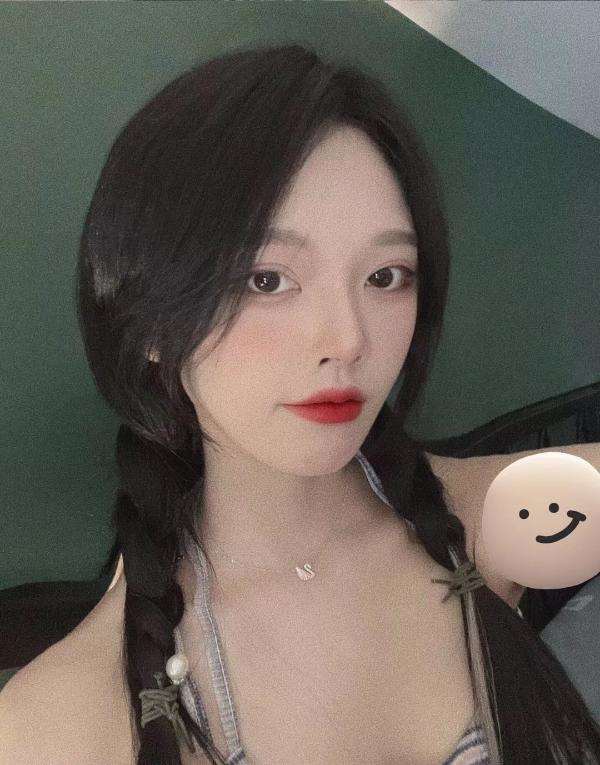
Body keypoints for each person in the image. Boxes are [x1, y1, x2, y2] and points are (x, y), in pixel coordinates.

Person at [4, 42, 600, 765]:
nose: (348, 339)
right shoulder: (55, 726)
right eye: (267, 280)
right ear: (150, 321)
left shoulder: (492, 519)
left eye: (386, 275)